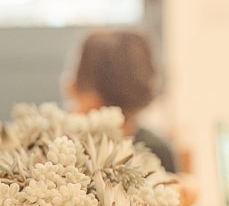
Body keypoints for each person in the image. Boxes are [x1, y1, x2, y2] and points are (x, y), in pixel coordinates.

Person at [63, 28, 180, 174]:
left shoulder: (156, 152)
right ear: (72, 89)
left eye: (124, 119)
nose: (116, 133)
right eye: (103, 111)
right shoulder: (56, 149)